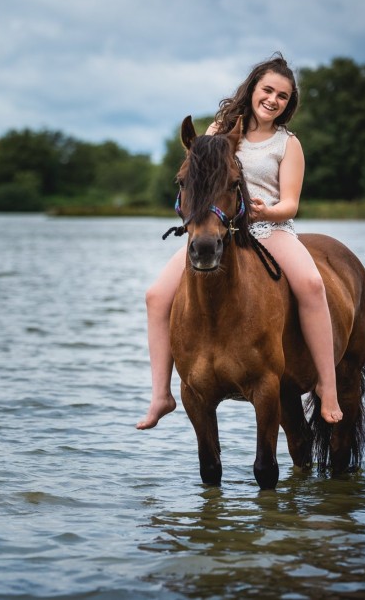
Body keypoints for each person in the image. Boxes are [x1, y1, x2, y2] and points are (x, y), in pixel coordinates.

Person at [135, 54, 343, 430]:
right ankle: (161, 396)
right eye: (268, 90)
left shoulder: (287, 143)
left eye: (283, 96)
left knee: (312, 285)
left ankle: (327, 388)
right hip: (221, 230)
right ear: (253, 90)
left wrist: (268, 212)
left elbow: (292, 202)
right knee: (155, 296)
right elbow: (200, 176)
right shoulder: (219, 130)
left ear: (288, 103)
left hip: (268, 230)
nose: (273, 100)